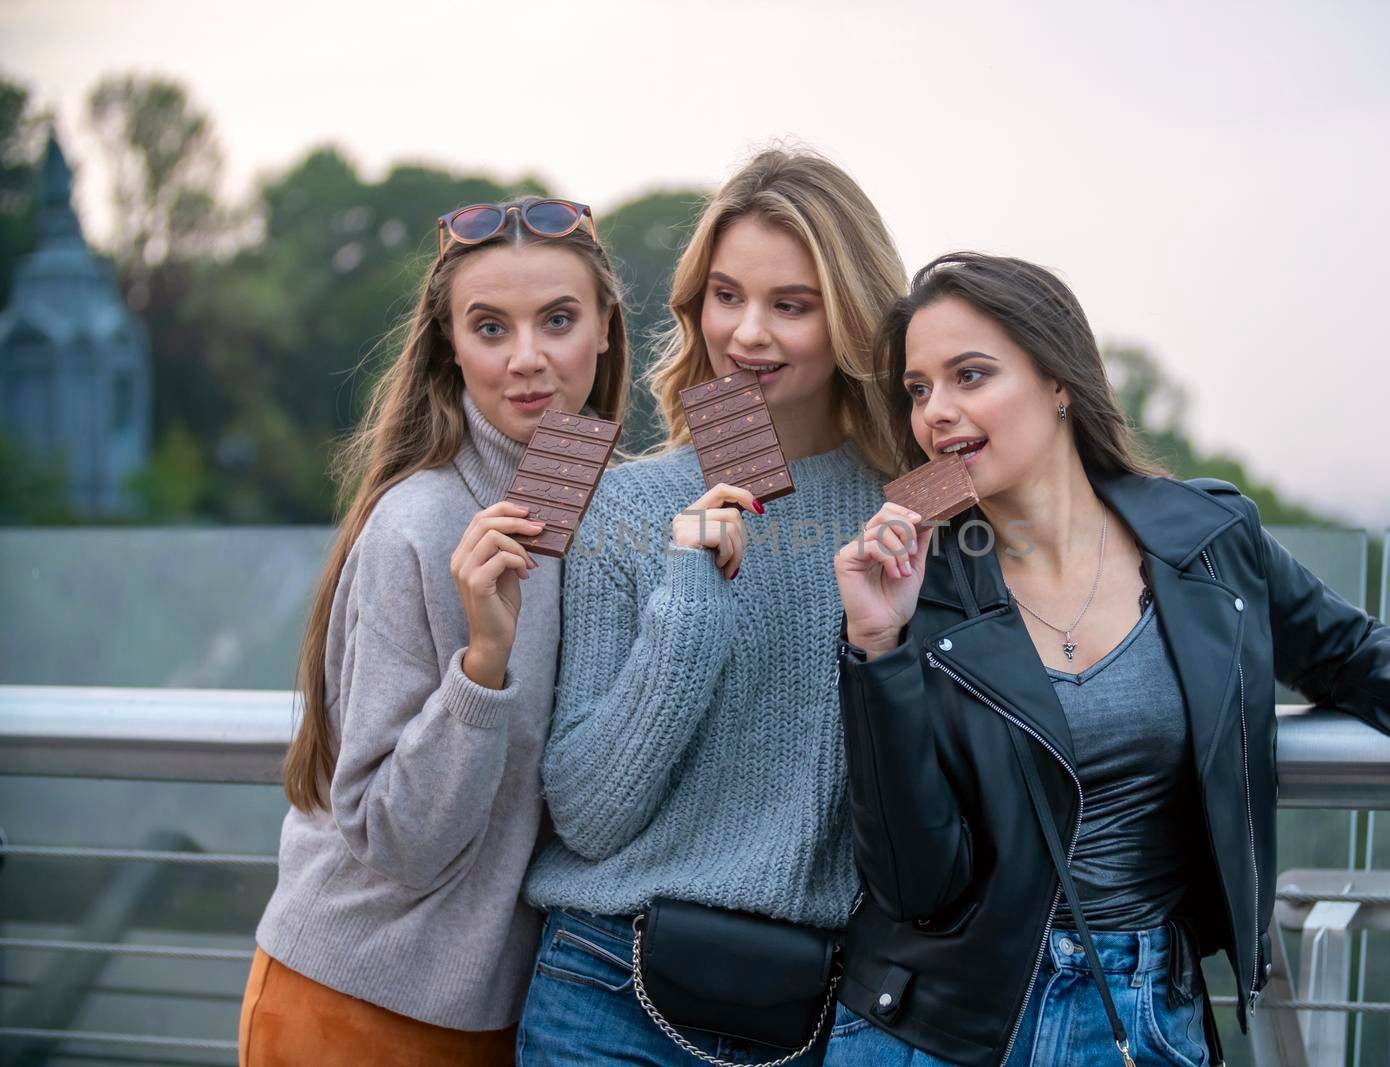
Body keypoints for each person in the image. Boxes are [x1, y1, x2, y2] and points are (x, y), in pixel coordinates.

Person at [827, 252, 1390, 1066]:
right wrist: (878, 647)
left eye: (971, 375)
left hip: (1146, 1012)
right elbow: (913, 881)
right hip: (943, 1026)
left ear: (1059, 380)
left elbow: (1342, 643)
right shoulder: (913, 582)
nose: (938, 411)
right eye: (920, 389)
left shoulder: (1206, 535)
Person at [516, 148, 905, 1066]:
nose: (749, 334)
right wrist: (692, 595)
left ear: (851, 317)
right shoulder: (626, 503)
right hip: (607, 992)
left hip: (819, 1011)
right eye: (726, 296)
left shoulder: (907, 512)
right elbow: (588, 813)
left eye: (791, 304)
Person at [239, 197, 629, 1067]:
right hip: (352, 1004)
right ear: (452, 346)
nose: (527, 359)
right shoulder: (417, 522)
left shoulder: (601, 509)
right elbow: (399, 840)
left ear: (604, 328)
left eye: (558, 320)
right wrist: (482, 668)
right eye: (491, 327)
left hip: (506, 1015)